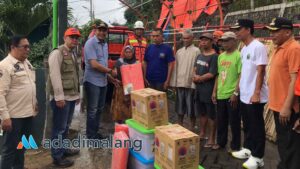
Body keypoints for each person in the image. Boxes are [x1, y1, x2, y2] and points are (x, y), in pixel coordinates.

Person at [230, 19, 268, 169]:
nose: (236, 32)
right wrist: (237, 91)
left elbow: (261, 70)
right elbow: (244, 73)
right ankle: (248, 149)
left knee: (256, 126)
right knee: (246, 124)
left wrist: (257, 92)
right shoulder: (244, 48)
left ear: (248, 30)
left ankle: (258, 157)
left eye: (238, 29)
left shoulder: (258, 46)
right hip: (244, 94)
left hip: (255, 96)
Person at [265, 17, 300, 169]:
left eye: (275, 31)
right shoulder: (280, 48)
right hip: (277, 105)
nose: (272, 35)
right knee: (284, 145)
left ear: (287, 32)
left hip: (288, 109)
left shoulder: (294, 49)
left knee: (291, 148)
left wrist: (287, 106)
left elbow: (295, 79)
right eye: (271, 31)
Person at [0, 35, 37, 169]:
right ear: (13, 48)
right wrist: (5, 117)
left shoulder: (26, 63)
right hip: (13, 117)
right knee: (9, 150)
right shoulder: (5, 66)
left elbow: (30, 85)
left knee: (21, 147)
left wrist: (35, 104)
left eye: (29, 46)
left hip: (27, 114)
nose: (28, 49)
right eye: (24, 47)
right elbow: (0, 94)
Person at [47, 28, 81, 167]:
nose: (74, 40)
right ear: (64, 38)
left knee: (66, 127)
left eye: (76, 38)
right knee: (59, 128)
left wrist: (77, 94)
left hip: (71, 97)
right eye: (71, 37)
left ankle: (63, 149)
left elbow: (75, 76)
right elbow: (55, 76)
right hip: (62, 99)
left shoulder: (73, 53)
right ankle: (57, 156)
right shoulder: (57, 53)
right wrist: (59, 97)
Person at [83, 22, 117, 139]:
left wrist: (110, 78)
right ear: (95, 30)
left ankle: (95, 132)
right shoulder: (90, 43)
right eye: (100, 30)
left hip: (103, 82)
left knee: (100, 109)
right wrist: (110, 71)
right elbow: (94, 64)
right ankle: (90, 135)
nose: (102, 32)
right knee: (92, 110)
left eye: (104, 30)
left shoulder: (105, 44)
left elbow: (103, 63)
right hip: (92, 82)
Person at [212, 32, 241, 151]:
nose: (224, 43)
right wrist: (214, 91)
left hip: (231, 95)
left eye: (227, 40)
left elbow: (241, 75)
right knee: (221, 120)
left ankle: (235, 146)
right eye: (222, 41)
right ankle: (221, 142)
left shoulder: (238, 55)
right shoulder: (221, 56)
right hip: (221, 93)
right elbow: (218, 75)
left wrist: (235, 93)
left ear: (234, 41)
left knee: (234, 122)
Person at [170, 29, 200, 130]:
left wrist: (194, 84)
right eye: (184, 38)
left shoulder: (197, 51)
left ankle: (191, 128)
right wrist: (174, 83)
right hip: (180, 83)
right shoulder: (179, 52)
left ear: (192, 38)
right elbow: (176, 68)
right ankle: (179, 126)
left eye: (188, 38)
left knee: (191, 109)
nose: (186, 40)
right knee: (179, 108)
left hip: (190, 84)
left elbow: (197, 68)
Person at [193, 32, 218, 147]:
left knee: (211, 115)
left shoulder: (214, 56)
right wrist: (194, 76)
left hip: (208, 90)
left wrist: (199, 78)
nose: (203, 42)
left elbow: (212, 74)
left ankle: (212, 138)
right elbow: (195, 68)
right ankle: (202, 133)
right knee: (202, 113)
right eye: (202, 40)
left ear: (211, 41)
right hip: (199, 90)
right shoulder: (199, 55)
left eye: (206, 40)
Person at [111, 45, 139, 123]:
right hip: (121, 88)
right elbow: (114, 73)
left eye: (130, 52)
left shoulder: (137, 63)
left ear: (133, 53)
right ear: (124, 53)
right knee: (121, 107)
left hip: (133, 88)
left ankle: (131, 122)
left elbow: (139, 76)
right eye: (126, 52)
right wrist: (114, 76)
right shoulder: (119, 62)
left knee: (132, 106)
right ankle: (120, 124)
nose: (128, 54)